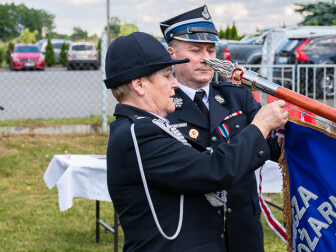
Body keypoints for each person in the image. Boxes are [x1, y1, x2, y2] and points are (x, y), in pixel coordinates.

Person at [104, 31, 288, 252]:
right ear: (139, 85)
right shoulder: (139, 132)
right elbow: (213, 170)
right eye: (166, 76)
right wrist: (261, 125)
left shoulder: (144, 126)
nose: (174, 84)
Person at [159, 5, 283, 251]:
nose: (207, 59)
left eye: (211, 50)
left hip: (244, 230)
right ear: (172, 54)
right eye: (195, 50)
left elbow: (275, 149)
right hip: (194, 235)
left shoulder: (239, 98)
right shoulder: (163, 106)